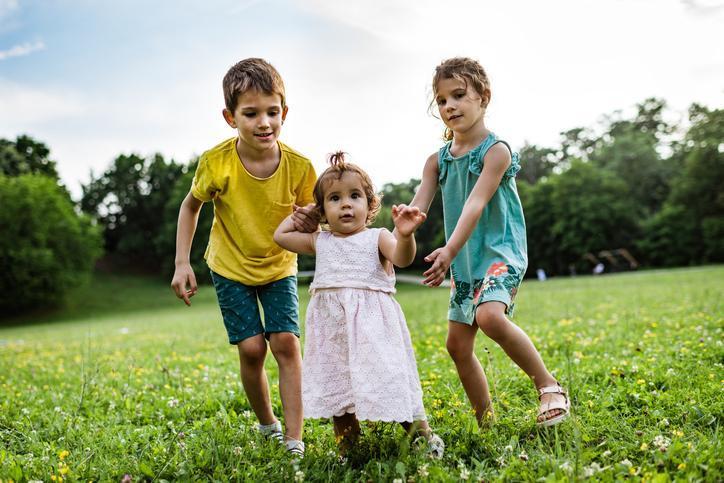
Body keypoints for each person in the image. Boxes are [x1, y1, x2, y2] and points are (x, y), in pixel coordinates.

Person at [401, 57, 569, 427]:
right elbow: (419, 206)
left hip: (498, 252)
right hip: (464, 261)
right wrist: (404, 223)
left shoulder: (496, 152)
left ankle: (549, 387)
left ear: (484, 97)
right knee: (457, 346)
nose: (450, 106)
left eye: (459, 95)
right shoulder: (436, 161)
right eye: (442, 100)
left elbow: (475, 204)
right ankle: (487, 423)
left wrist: (448, 250)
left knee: (489, 316)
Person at [171, 58, 318, 456]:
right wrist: (182, 263)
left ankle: (294, 438)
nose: (264, 122)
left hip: (278, 265)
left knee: (285, 342)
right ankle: (267, 423)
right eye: (250, 114)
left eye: (272, 112)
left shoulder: (301, 167)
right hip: (230, 266)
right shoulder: (216, 162)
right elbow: (190, 207)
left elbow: (313, 223)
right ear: (230, 117)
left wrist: (310, 225)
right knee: (252, 349)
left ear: (284, 112)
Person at [274, 153, 444, 457]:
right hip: (333, 333)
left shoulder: (377, 238)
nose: (346, 204)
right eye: (334, 199)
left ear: (369, 204)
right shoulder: (319, 241)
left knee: (390, 378)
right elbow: (281, 235)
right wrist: (309, 214)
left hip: (375, 330)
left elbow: (403, 258)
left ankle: (421, 435)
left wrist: (404, 235)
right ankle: (349, 449)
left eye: (355, 196)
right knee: (339, 386)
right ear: (323, 209)